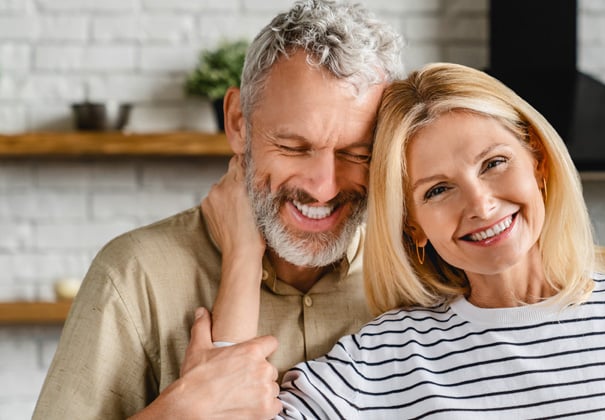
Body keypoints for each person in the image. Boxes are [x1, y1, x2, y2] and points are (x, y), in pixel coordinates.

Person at [205, 62, 605, 419]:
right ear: (413, 225)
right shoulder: (391, 354)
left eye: (494, 163)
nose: (479, 204)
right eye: (438, 189)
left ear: (537, 161)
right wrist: (244, 257)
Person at [31, 1, 404, 418]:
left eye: (357, 153)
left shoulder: (417, 275)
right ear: (237, 123)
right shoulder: (134, 274)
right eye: (294, 147)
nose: (324, 188)